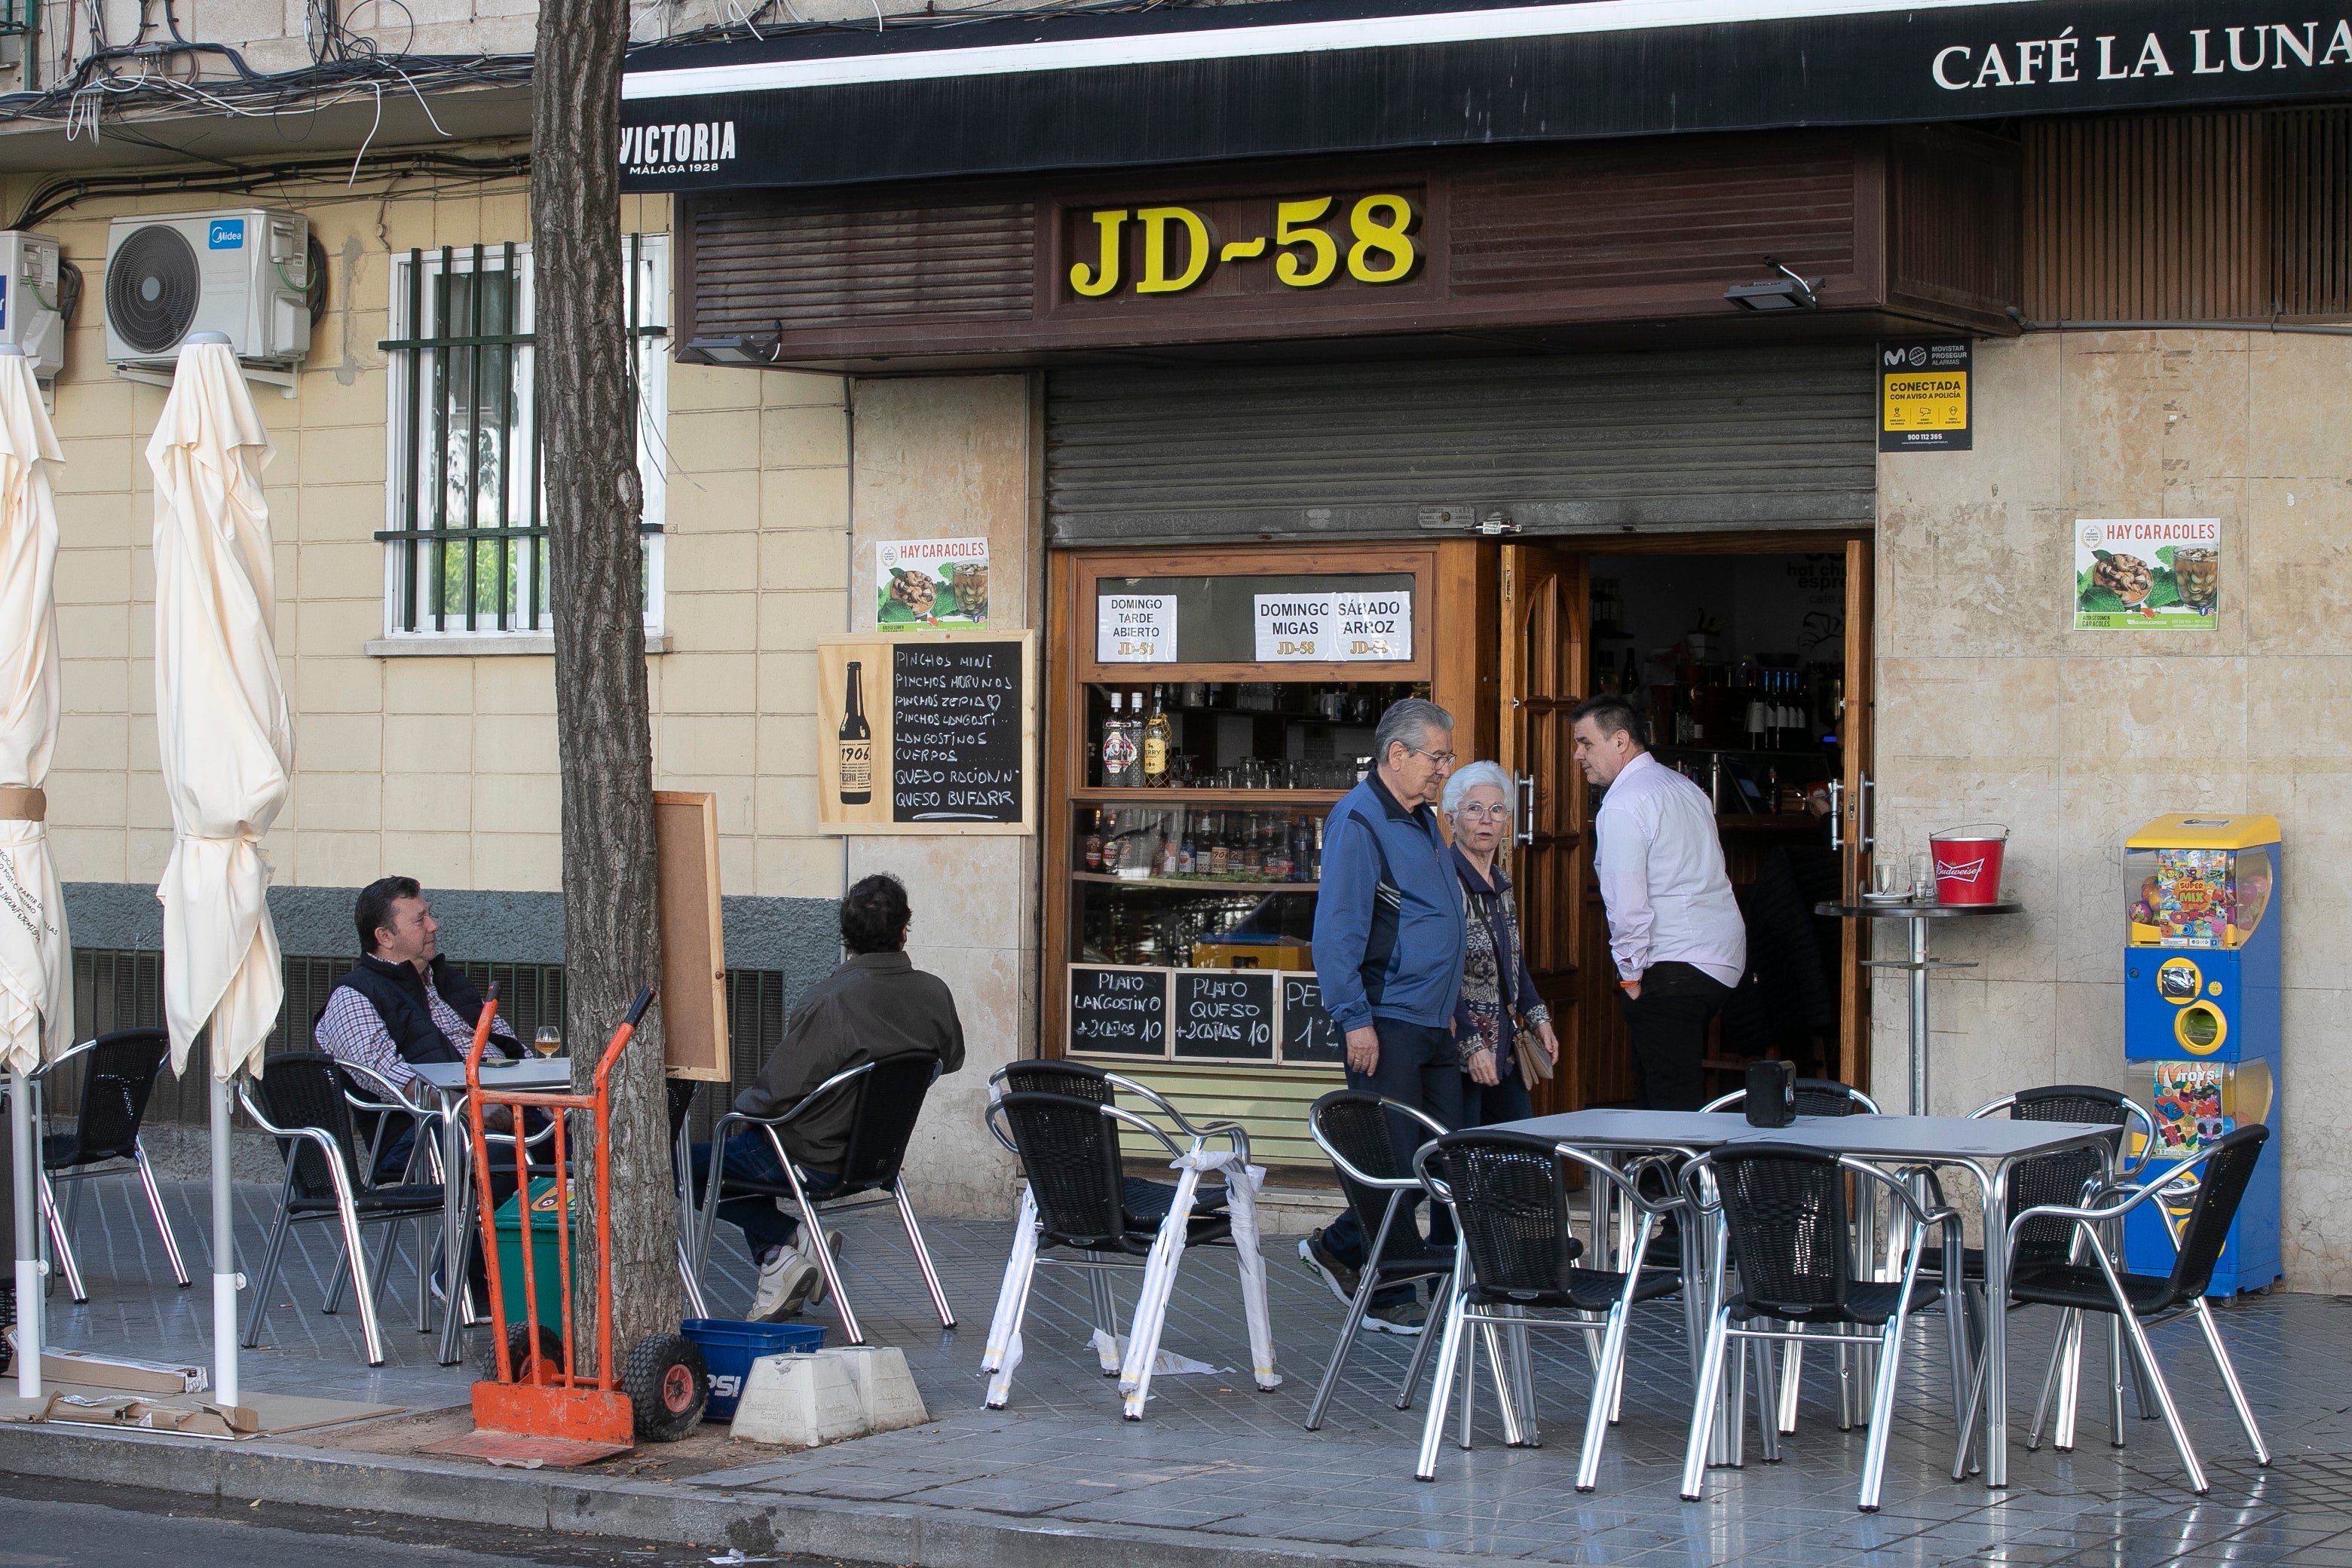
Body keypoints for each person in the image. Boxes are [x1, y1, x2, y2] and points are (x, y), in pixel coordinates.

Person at [696, 874, 965, 1322]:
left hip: (810, 1157)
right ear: (904, 930)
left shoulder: (829, 1001)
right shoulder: (933, 993)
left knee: (683, 1163)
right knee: (728, 1154)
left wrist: (742, 1113)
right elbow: (951, 1058)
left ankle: (786, 1244)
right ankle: (784, 1252)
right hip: (877, 1160)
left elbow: (774, 1097)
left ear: (846, 937)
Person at [1299, 697, 1465, 1334]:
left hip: (1431, 1021)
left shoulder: (1420, 818)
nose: (1443, 770)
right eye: (1437, 757)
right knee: (1395, 1163)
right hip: (1386, 1018)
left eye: (1448, 757)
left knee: (1434, 1158)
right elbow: (1338, 930)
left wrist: (1449, 1010)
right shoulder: (1360, 820)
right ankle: (1388, 1297)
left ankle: (1338, 1246)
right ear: (1398, 755)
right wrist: (1354, 1018)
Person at [1570, 694, 1746, 1112]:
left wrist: (1629, 976)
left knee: (1668, 1100)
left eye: (1585, 743)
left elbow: (1627, 904)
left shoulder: (1624, 804)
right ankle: (1663, 1177)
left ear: (1620, 740)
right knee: (1662, 1088)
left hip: (1673, 963)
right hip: (1720, 959)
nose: (1578, 755)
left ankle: (1675, 1177)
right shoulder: (1685, 787)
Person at [315, 876, 525, 1180]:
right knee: (499, 1160)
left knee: (586, 1141)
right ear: (385, 937)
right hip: (420, 1131)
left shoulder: (450, 983)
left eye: (429, 914)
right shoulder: (354, 996)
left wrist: (547, 1098)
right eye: (420, 920)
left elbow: (510, 1046)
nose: (434, 925)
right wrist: (469, 1107)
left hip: (502, 1108)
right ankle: (489, 1230)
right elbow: (392, 1081)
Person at [1442, 761, 1559, 1126]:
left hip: (1505, 1049)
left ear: (1508, 820)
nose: (1486, 820)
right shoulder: (1444, 883)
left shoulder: (1501, 882)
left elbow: (1512, 962)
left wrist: (1539, 1017)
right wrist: (1470, 1042)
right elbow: (1439, 975)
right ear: (1451, 820)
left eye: (1496, 810)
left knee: (1519, 1149)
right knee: (1467, 1156)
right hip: (1463, 1055)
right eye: (1474, 809)